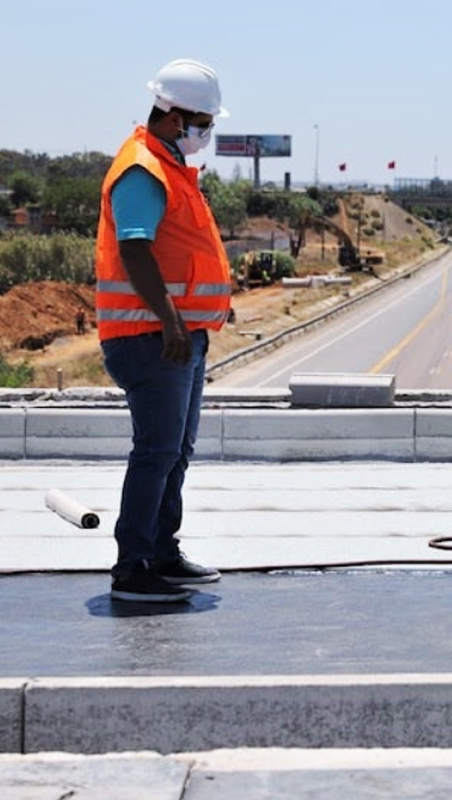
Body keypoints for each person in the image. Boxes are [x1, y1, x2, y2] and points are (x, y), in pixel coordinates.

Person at [94, 59, 232, 602]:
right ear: (174, 119)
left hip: (179, 335)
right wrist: (173, 321)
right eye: (203, 122)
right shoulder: (142, 168)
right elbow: (134, 247)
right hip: (151, 337)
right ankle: (134, 566)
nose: (208, 133)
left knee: (176, 449)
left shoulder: (170, 166)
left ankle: (162, 550)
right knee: (156, 450)